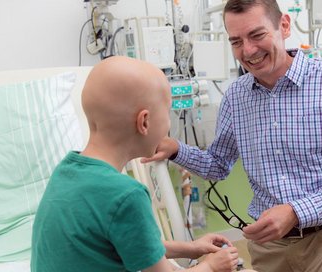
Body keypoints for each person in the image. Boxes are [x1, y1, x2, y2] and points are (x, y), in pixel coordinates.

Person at [141, 0, 322, 271]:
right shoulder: (236, 98)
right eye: (236, 41)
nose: (248, 51)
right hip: (272, 246)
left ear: (284, 26)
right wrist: (176, 148)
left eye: (257, 35)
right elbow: (217, 164)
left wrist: (296, 212)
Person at [31, 56, 241, 272]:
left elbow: (133, 244)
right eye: (167, 113)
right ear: (144, 122)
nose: (168, 123)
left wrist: (190, 248)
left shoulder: (65, 172)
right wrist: (212, 266)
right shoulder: (126, 195)